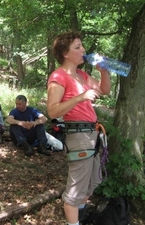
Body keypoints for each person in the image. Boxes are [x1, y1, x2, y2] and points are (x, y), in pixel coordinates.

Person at [47, 31, 111, 225]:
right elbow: (52, 111)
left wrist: (103, 71)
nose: (83, 50)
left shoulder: (81, 75)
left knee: (93, 183)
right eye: (77, 47)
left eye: (82, 46)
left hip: (92, 134)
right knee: (75, 192)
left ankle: (79, 217)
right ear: (65, 53)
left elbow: (105, 90)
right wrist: (80, 98)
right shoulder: (58, 76)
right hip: (78, 135)